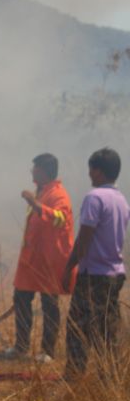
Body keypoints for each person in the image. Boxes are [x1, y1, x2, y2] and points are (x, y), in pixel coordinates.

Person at [0, 154, 74, 363]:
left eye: (35, 168)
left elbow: (60, 218)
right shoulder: (41, 192)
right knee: (21, 299)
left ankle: (47, 351)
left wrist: (34, 203)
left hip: (49, 261)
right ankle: (21, 346)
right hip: (31, 261)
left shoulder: (59, 194)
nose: (32, 172)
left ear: (44, 171)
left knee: (49, 304)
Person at [63, 148, 130, 379]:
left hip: (93, 276)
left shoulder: (95, 197)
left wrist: (69, 267)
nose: (89, 174)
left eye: (91, 169)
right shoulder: (122, 200)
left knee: (78, 329)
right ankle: (109, 379)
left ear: (99, 172)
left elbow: (84, 239)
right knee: (106, 330)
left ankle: (73, 376)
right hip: (114, 275)